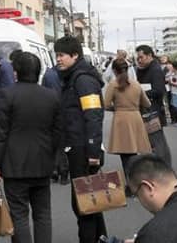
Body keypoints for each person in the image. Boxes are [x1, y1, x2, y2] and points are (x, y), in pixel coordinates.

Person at [0, 52, 62, 243]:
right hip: (43, 162)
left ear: (16, 72)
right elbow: (57, 131)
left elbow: (1, 133)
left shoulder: (7, 95)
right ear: (38, 72)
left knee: (19, 214)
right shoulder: (51, 96)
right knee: (43, 214)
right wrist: (53, 156)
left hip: (15, 165)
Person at [54, 36, 106, 243]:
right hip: (77, 146)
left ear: (75, 55)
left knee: (83, 203)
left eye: (61, 55)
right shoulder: (73, 77)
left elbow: (93, 115)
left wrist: (93, 152)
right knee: (92, 201)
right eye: (56, 55)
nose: (57, 59)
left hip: (82, 149)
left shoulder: (83, 80)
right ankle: (101, 239)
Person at [104, 58, 152, 189]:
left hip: (121, 119)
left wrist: (116, 107)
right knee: (134, 152)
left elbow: (106, 104)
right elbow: (147, 103)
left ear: (114, 70)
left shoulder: (113, 85)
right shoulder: (136, 84)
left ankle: (131, 184)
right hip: (135, 118)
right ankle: (137, 181)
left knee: (125, 155)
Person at [135, 45, 172, 166]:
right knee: (153, 143)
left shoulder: (155, 70)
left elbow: (159, 90)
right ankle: (160, 169)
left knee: (158, 143)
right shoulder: (145, 69)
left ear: (150, 55)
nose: (139, 60)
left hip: (153, 113)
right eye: (138, 58)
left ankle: (165, 170)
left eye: (141, 57)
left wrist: (141, 93)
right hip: (149, 111)